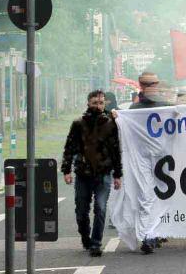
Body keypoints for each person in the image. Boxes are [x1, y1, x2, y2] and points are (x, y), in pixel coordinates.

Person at [61, 90, 122, 257]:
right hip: (83, 174)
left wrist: (118, 174)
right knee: (81, 211)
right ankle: (85, 237)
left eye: (101, 103)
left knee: (100, 208)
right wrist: (66, 170)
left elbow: (115, 150)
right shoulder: (78, 124)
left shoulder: (111, 124)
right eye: (95, 102)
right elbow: (69, 148)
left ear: (105, 104)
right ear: (88, 103)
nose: (98, 106)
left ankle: (96, 243)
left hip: (104, 174)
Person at [129, 71, 170, 254]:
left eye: (152, 84)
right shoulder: (133, 110)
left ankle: (154, 232)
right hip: (144, 157)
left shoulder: (166, 106)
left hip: (161, 156)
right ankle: (148, 235)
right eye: (148, 85)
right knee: (147, 195)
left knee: (158, 194)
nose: (151, 87)